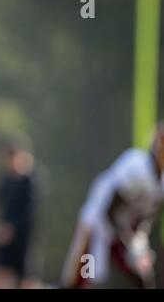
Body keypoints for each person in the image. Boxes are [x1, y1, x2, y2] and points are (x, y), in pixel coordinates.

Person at [61, 123, 164, 288]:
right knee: (85, 278)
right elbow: (109, 211)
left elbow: (145, 218)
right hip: (99, 224)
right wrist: (128, 243)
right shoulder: (137, 166)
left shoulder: (161, 182)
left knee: (143, 277)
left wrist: (137, 244)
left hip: (125, 231)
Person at [0, 143, 39, 288]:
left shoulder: (29, 181)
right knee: (1, 275)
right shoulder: (6, 180)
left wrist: (10, 228)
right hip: (5, 238)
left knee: (27, 279)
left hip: (22, 238)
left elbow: (28, 212)